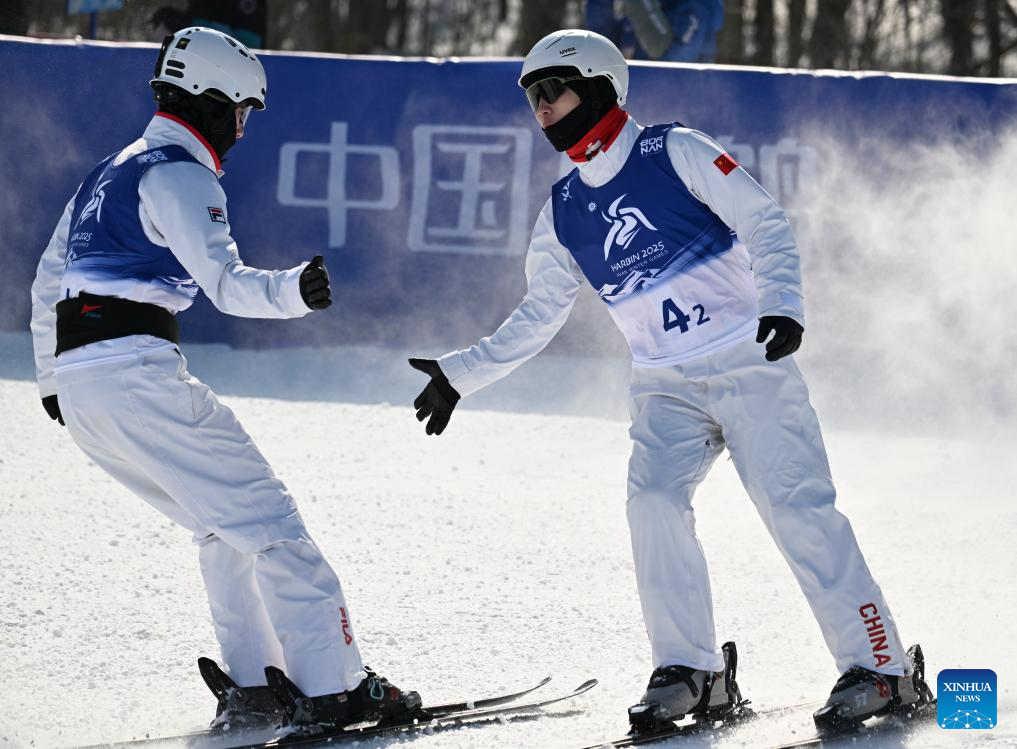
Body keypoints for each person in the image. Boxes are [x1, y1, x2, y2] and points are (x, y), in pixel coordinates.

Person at [409, 29, 933, 733]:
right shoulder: (563, 210)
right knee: (652, 503)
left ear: (598, 88)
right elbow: (539, 313)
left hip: (746, 360)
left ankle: (883, 667)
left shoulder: (672, 150)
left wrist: (782, 302)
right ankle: (692, 671)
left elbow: (763, 220)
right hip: (662, 384)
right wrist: (460, 374)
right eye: (531, 97)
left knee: (795, 507)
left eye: (552, 89)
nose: (541, 107)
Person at [31, 27, 420, 736]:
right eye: (240, 111)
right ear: (209, 101)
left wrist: (54, 378)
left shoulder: (106, 173)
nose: (241, 129)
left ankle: (255, 684)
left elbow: (46, 280)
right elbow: (225, 283)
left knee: (219, 526)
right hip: (135, 374)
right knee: (271, 523)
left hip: (86, 389)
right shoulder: (180, 172)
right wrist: (293, 290)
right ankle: (335, 688)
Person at [585, 0, 724, 63]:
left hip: (681, 106)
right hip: (636, 104)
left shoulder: (696, 13)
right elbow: (601, 39)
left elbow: (670, 63)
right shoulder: (646, 10)